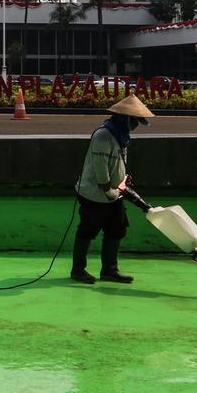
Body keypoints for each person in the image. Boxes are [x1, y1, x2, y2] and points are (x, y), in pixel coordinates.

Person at [71, 93, 155, 285]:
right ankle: (78, 270)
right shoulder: (103, 135)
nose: (135, 126)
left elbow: (117, 163)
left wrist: (123, 179)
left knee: (117, 228)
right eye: (134, 121)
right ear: (125, 118)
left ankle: (109, 270)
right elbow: (101, 168)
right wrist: (108, 189)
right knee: (87, 230)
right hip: (94, 193)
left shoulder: (121, 136)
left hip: (114, 193)